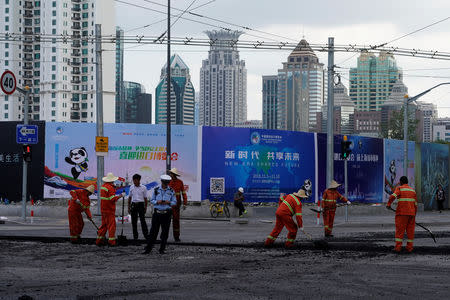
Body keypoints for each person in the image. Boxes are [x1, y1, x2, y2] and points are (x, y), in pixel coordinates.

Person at [143, 174, 177, 254]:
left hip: (167, 214)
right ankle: (148, 249)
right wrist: (157, 202)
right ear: (161, 182)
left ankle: (162, 249)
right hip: (157, 213)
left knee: (165, 233)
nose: (165, 184)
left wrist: (169, 203)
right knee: (153, 232)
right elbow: (152, 200)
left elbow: (174, 202)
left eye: (167, 183)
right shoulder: (156, 190)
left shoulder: (171, 191)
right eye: (164, 183)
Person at [387, 176, 418, 253]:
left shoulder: (400, 188)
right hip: (411, 214)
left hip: (402, 214)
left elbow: (392, 197)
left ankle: (398, 248)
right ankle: (409, 248)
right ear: (407, 182)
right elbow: (416, 204)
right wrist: (414, 215)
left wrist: (388, 204)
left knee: (400, 231)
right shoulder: (413, 191)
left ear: (401, 182)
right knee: (410, 232)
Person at [96, 172, 124, 246]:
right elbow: (112, 199)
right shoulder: (110, 188)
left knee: (104, 225)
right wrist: (120, 196)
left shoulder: (103, 186)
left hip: (103, 209)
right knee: (111, 226)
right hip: (109, 210)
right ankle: (111, 242)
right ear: (112, 180)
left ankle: (99, 240)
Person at [168, 168, 187, 242]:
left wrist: (185, 203)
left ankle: (176, 236)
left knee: (176, 221)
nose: (170, 175)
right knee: (166, 221)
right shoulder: (168, 182)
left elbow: (183, 193)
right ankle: (164, 236)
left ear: (174, 174)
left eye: (171, 173)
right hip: (168, 205)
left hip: (176, 205)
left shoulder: (180, 182)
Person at [128, 173, 149, 240]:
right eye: (133, 180)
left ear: (139, 180)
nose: (134, 181)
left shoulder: (144, 188)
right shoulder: (131, 187)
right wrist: (128, 207)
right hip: (134, 205)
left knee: (143, 221)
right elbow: (129, 198)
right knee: (134, 222)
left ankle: (146, 236)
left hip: (141, 205)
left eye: (136, 180)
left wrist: (145, 207)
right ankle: (135, 237)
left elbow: (145, 199)